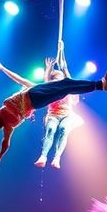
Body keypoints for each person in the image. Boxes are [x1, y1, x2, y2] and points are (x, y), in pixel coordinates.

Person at [0, 58, 107, 167]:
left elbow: (5, 143)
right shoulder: (1, 112)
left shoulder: (8, 127)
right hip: (34, 95)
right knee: (67, 84)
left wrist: (0, 155)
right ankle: (99, 85)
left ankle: (100, 85)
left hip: (39, 102)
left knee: (67, 86)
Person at [37, 41, 87, 169]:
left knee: (64, 130)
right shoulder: (50, 87)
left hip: (67, 115)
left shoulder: (67, 87)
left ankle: (57, 157)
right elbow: (46, 82)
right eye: (55, 78)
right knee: (51, 130)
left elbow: (67, 75)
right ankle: (43, 156)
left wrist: (62, 51)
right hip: (53, 115)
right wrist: (48, 69)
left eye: (60, 78)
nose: (57, 80)